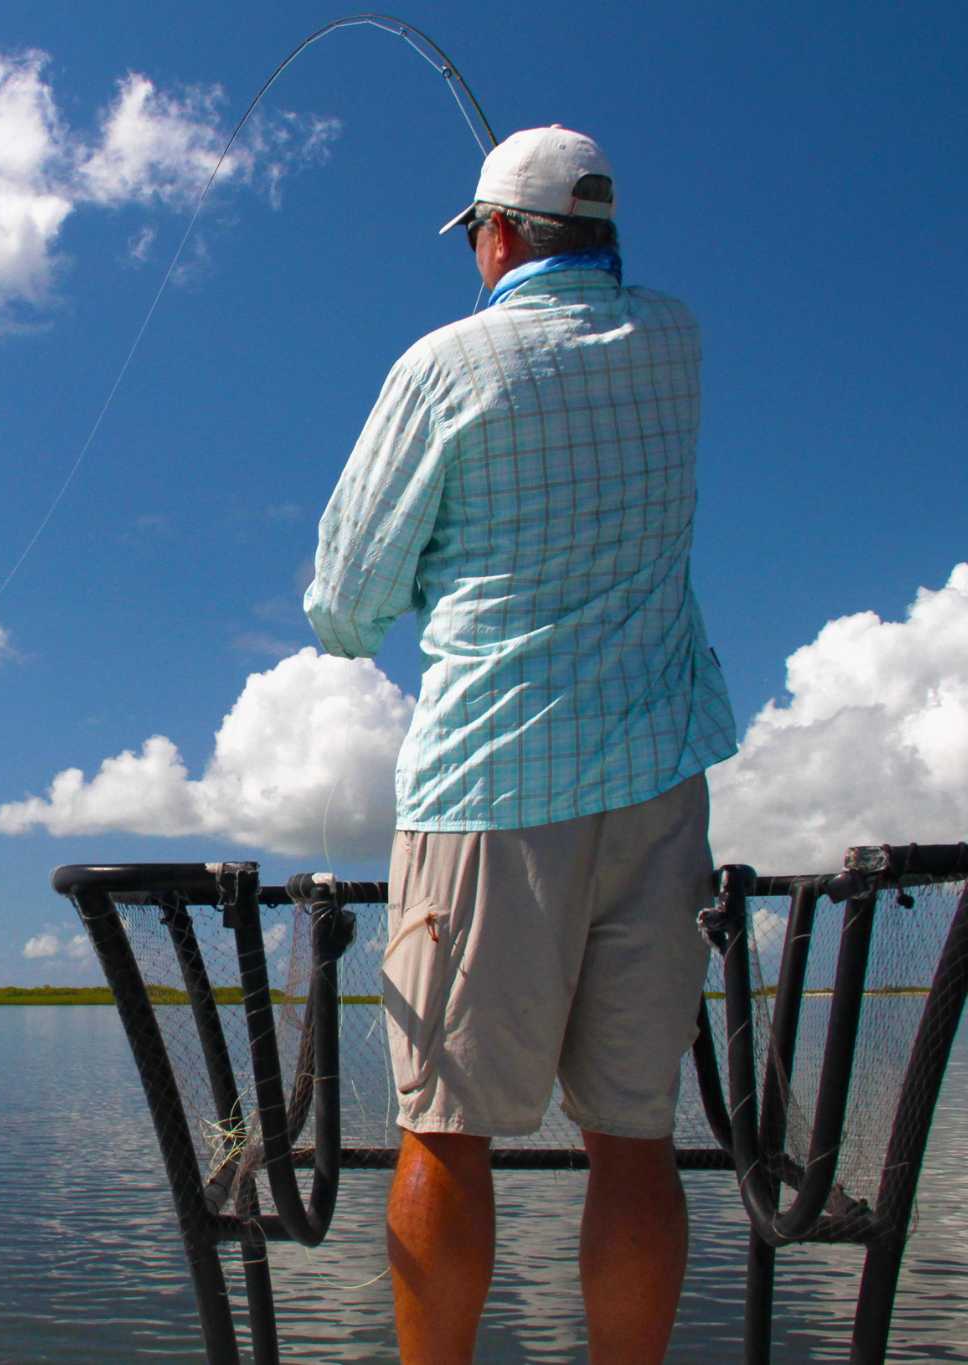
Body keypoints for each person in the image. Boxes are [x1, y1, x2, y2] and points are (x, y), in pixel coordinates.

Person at [302, 126, 738, 1364]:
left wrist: (435, 568)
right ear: (602, 236)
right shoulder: (678, 342)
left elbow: (342, 602)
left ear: (492, 236)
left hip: (491, 788)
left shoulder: (445, 366)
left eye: (474, 239)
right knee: (634, 1137)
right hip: (660, 792)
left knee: (444, 1129)